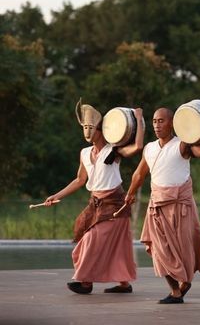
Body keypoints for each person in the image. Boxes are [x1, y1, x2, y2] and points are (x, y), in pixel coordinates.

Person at [45, 100, 143, 295]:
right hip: (95, 205)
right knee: (115, 248)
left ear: (101, 129)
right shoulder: (84, 152)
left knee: (91, 241)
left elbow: (138, 147)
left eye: (91, 128)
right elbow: (80, 180)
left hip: (115, 205)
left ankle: (85, 282)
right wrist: (56, 195)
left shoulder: (113, 150)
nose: (87, 132)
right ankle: (124, 284)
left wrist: (139, 120)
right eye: (84, 128)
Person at [125, 107, 200, 304]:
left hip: (180, 206)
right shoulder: (150, 148)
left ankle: (184, 283)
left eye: (161, 121)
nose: (157, 125)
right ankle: (175, 291)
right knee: (159, 252)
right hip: (157, 207)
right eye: (154, 121)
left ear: (172, 124)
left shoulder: (183, 144)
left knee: (184, 250)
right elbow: (139, 174)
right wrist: (130, 193)